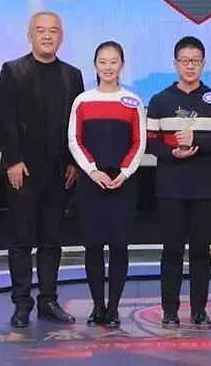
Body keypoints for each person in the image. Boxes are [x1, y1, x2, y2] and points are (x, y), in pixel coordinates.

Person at [0, 12, 85, 328]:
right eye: (41, 31)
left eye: (53, 31)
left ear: (61, 36)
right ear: (30, 35)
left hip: (59, 171)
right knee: (22, 240)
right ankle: (22, 304)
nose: (47, 36)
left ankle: (48, 301)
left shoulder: (72, 75)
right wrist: (12, 160)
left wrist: (73, 161)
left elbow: (77, 123)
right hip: (23, 169)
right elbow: (4, 118)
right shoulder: (13, 70)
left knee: (51, 240)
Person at [146, 36, 211, 327]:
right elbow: (150, 142)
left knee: (201, 253)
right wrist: (171, 152)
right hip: (170, 188)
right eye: (184, 61)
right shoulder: (159, 101)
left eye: (195, 61)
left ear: (203, 63)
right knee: (171, 252)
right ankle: (169, 310)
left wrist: (197, 140)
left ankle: (199, 309)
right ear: (175, 63)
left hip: (205, 188)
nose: (190, 66)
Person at [67, 41, 146, 328]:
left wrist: (124, 173)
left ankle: (113, 308)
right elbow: (75, 139)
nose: (108, 67)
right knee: (93, 246)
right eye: (103, 61)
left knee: (119, 246)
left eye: (114, 62)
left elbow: (139, 142)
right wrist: (92, 171)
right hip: (92, 183)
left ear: (121, 65)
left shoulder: (132, 101)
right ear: (95, 65)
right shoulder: (83, 101)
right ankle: (97, 306)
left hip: (123, 184)